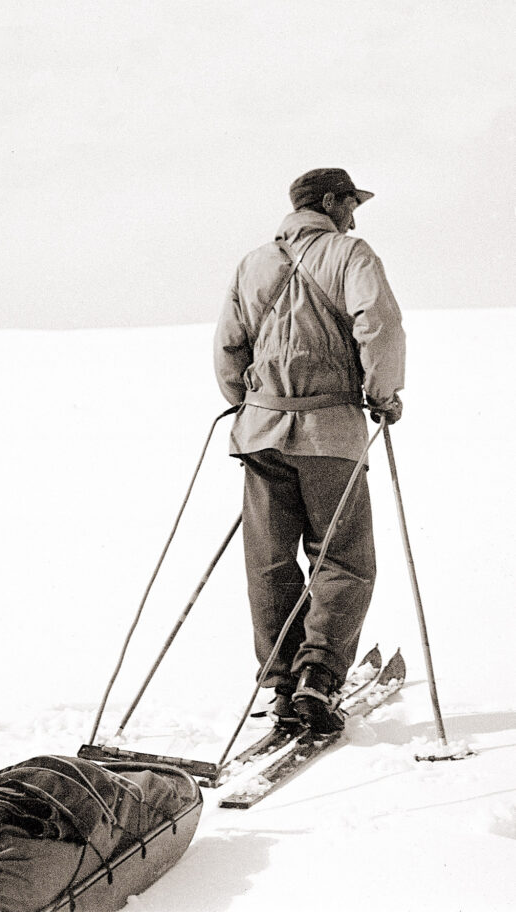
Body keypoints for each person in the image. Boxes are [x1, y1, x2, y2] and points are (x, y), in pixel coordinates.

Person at [213, 168, 405, 733]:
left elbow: (229, 345)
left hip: (261, 435)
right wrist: (383, 394)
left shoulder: (253, 264)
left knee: (269, 560)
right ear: (328, 202)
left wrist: (244, 403)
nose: (355, 214)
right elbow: (380, 325)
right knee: (342, 558)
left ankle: (278, 681)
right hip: (330, 436)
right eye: (351, 202)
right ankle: (317, 679)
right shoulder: (350, 254)